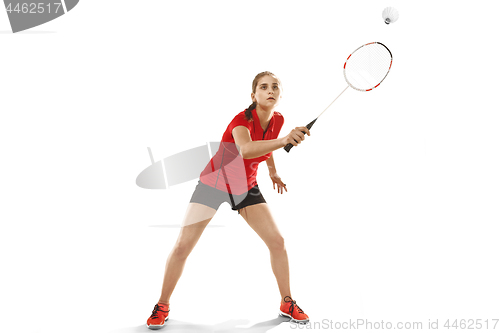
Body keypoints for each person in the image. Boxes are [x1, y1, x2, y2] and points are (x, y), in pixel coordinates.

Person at [146, 71, 311, 329]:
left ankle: (286, 301)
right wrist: (284, 140)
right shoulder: (241, 121)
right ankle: (162, 305)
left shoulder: (278, 120)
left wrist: (273, 172)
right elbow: (246, 149)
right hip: (214, 183)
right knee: (182, 247)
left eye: (275, 87)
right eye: (264, 87)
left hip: (245, 187)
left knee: (277, 242)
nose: (270, 91)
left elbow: (265, 146)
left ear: (280, 94)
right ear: (253, 95)